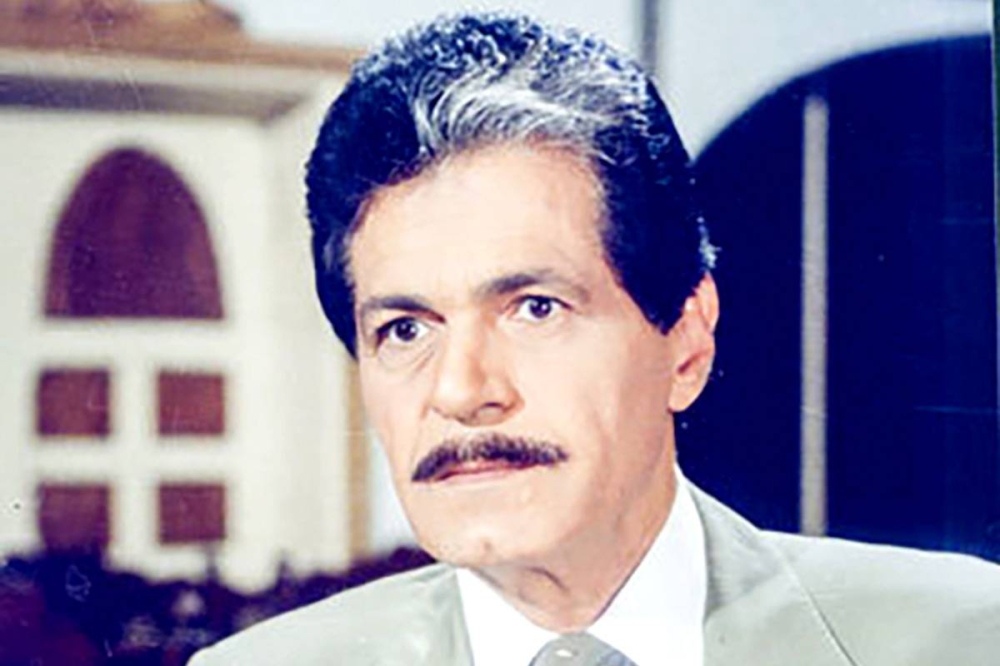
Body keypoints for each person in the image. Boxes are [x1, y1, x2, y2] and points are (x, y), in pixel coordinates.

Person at [190, 12, 1000, 666]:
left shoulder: (963, 640)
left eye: (535, 308)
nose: (460, 390)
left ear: (686, 344)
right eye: (405, 329)